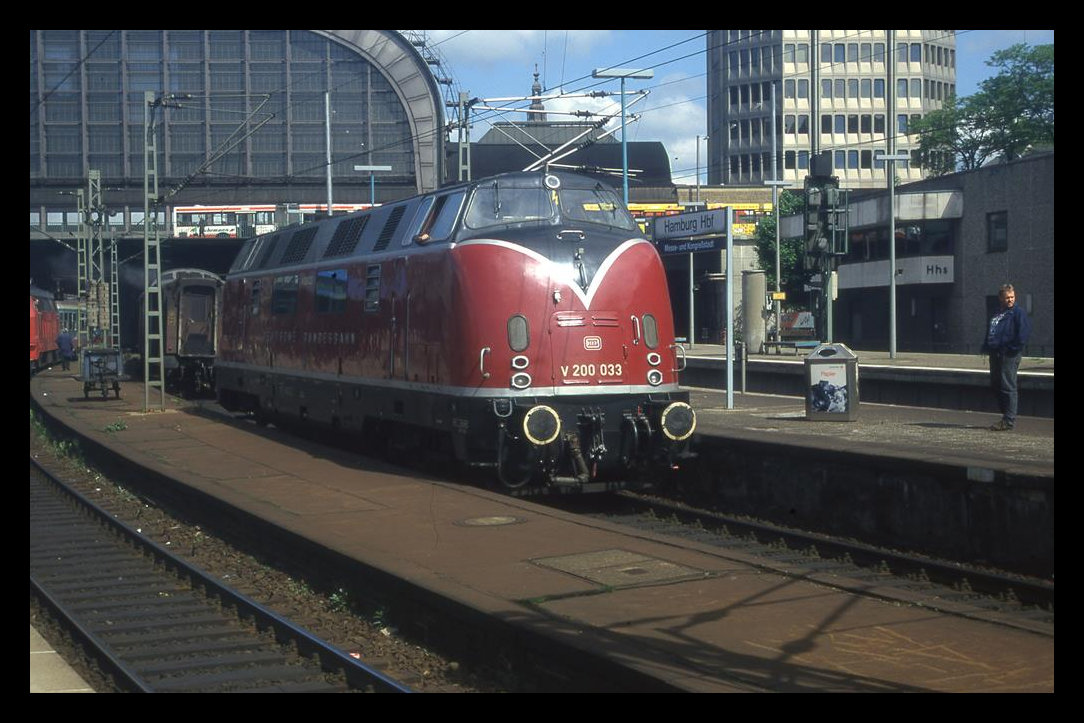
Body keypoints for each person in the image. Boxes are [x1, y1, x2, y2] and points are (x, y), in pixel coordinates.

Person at [982, 284, 1031, 431]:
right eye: (1007, 297)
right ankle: (1006, 414)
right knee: (996, 384)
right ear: (1000, 298)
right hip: (995, 353)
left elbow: (1023, 334)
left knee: (1008, 385)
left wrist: (1012, 348)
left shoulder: (1018, 313)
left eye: (1012, 297)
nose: (1010, 300)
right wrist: (986, 346)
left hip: (1009, 354)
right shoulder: (996, 313)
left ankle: (1009, 420)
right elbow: (992, 330)